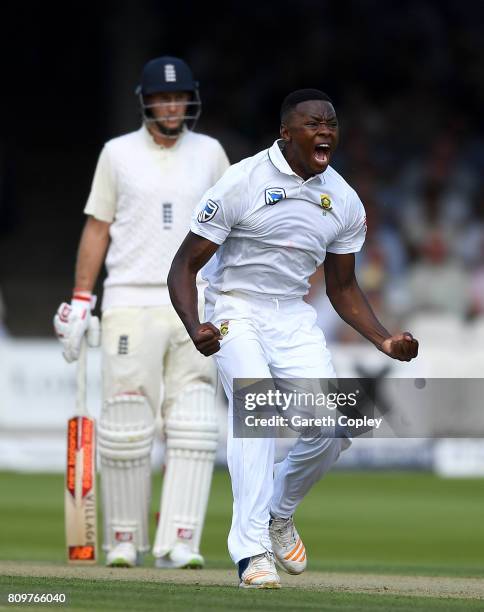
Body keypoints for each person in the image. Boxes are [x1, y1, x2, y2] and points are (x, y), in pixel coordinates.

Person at [167, 89, 419, 588]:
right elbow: (183, 265)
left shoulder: (343, 200)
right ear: (286, 133)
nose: (325, 130)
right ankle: (251, 550)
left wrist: (384, 341)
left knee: (334, 429)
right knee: (256, 408)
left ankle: (278, 513)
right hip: (235, 306)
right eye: (312, 123)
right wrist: (195, 323)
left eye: (331, 123)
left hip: (292, 316)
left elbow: (343, 287)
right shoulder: (242, 180)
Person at [54, 56, 230, 569]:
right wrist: (82, 298)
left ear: (189, 100)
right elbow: (97, 227)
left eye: (178, 96)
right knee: (127, 424)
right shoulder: (117, 153)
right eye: (162, 97)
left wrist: (230, 293)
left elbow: (232, 226)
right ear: (146, 101)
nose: (171, 105)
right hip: (130, 300)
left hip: (193, 303)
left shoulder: (211, 153)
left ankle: (180, 541)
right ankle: (124, 541)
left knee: (195, 422)